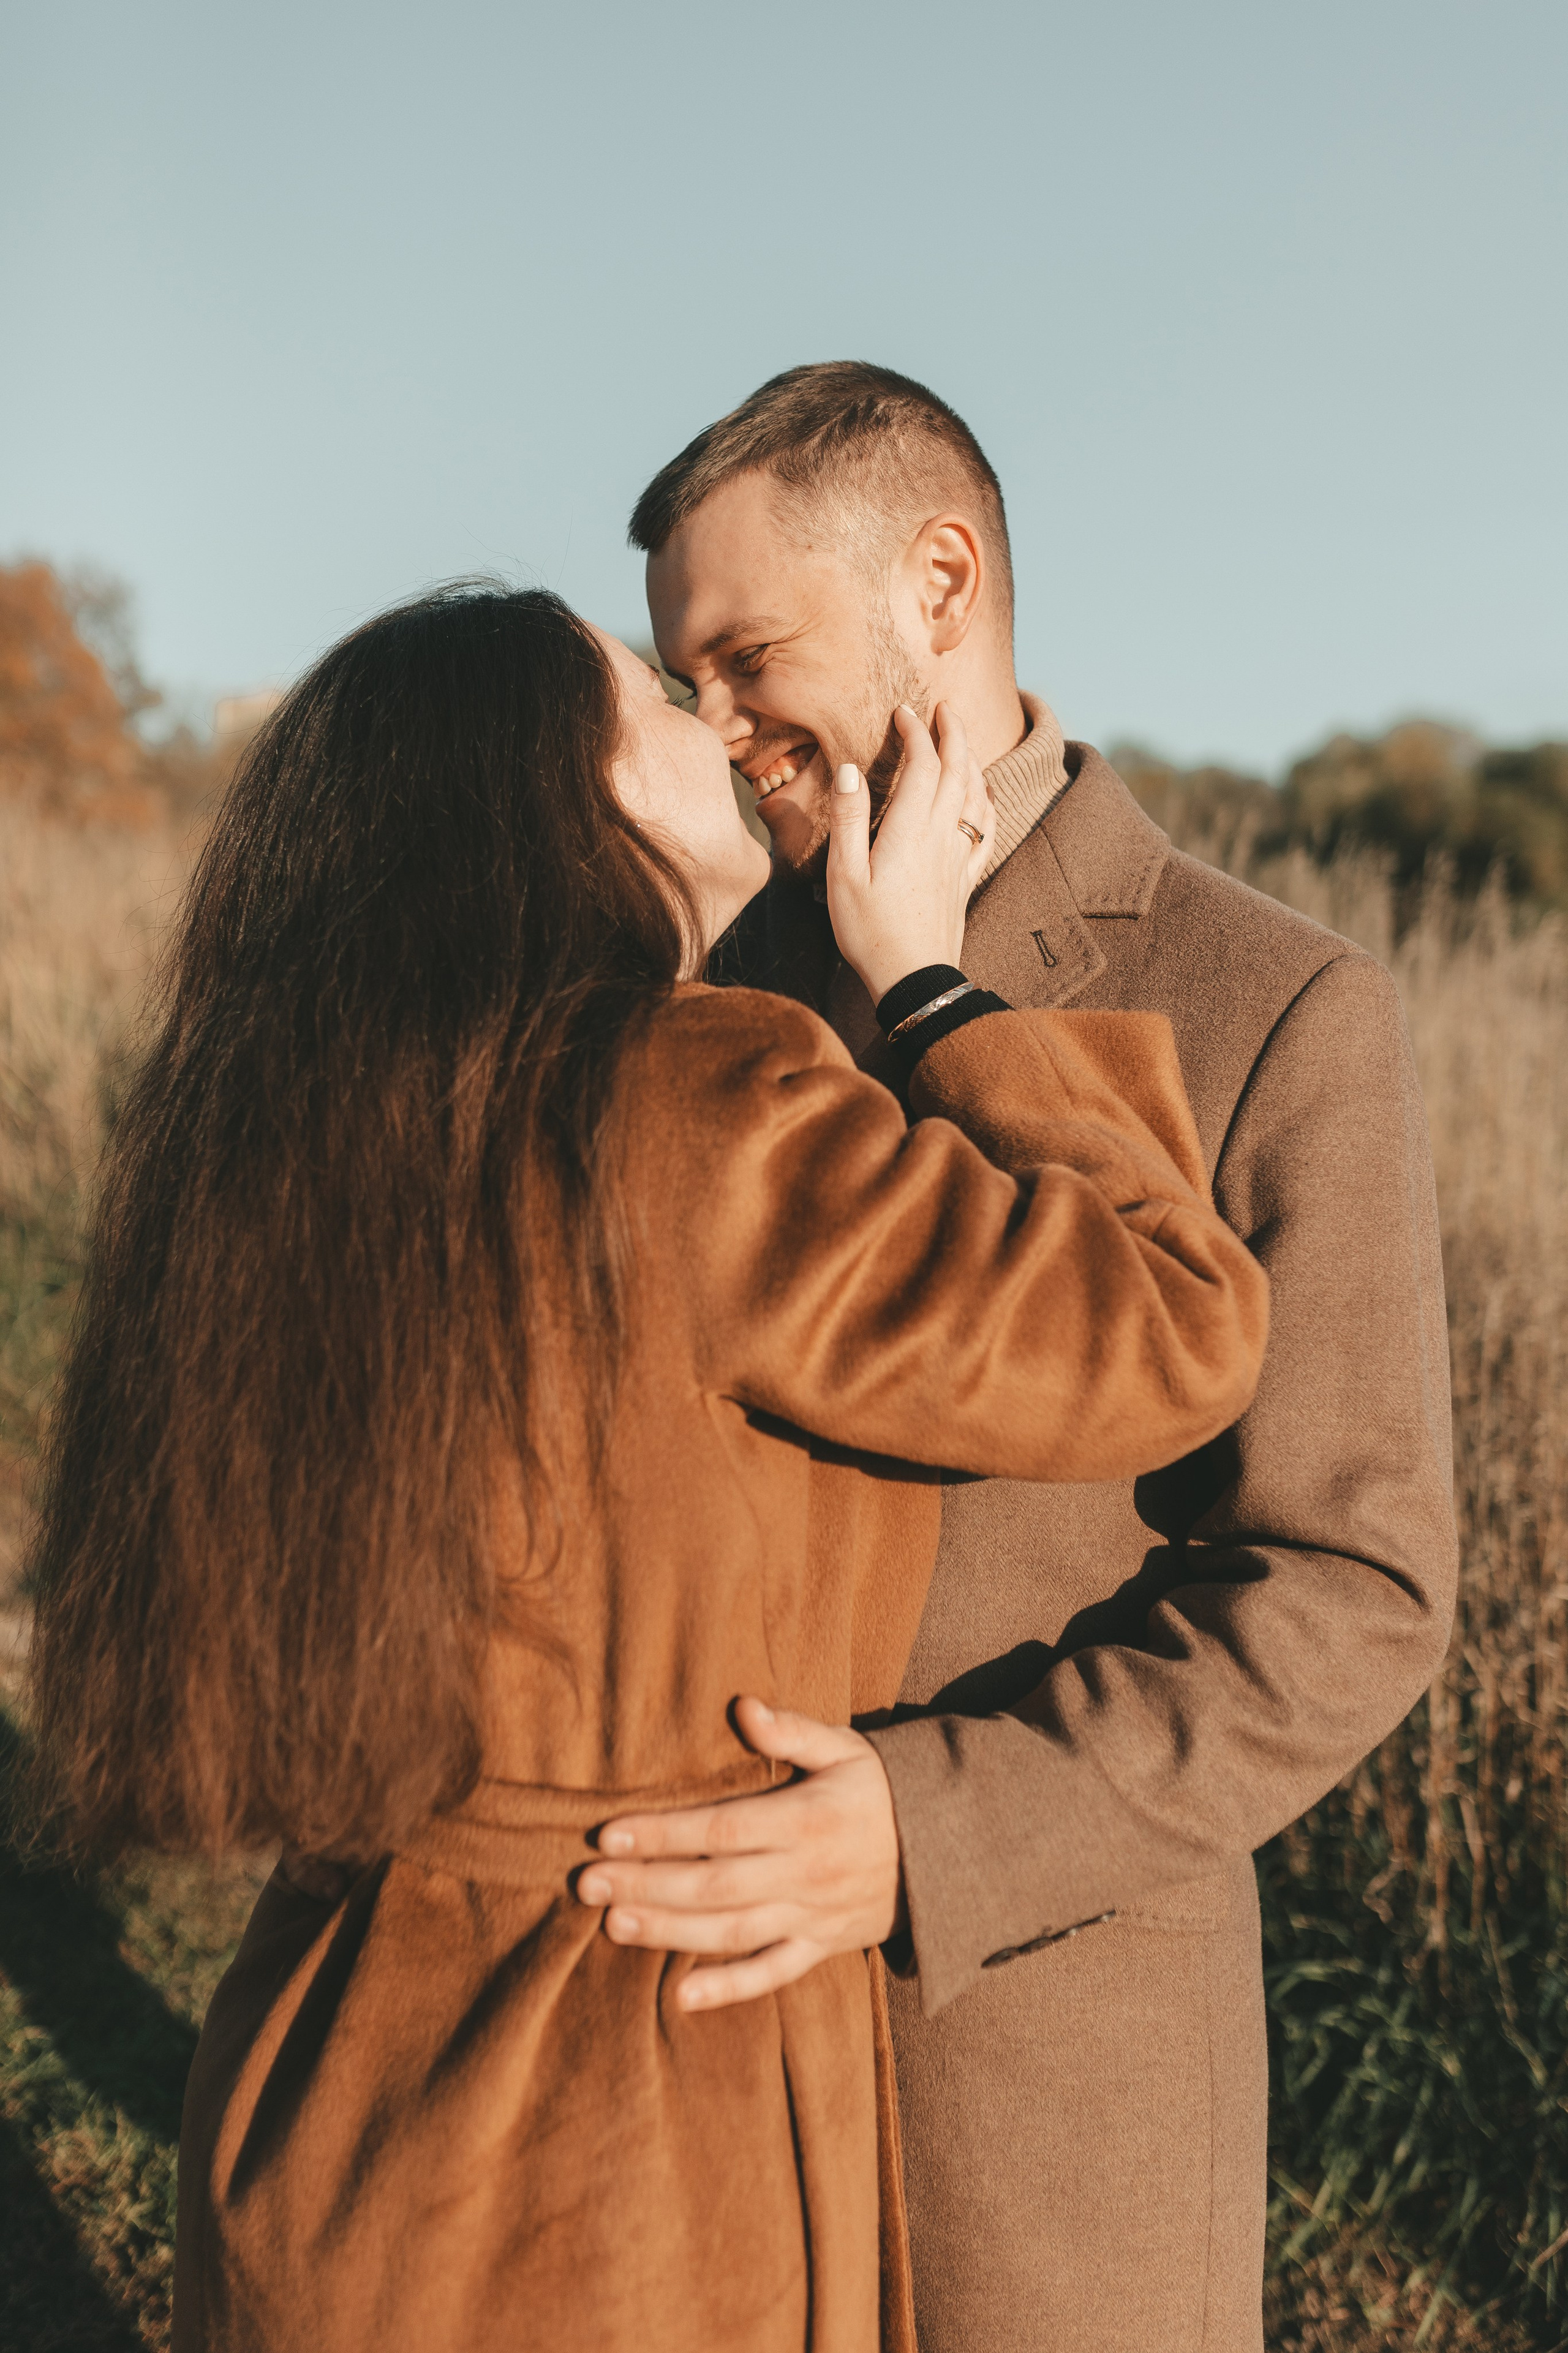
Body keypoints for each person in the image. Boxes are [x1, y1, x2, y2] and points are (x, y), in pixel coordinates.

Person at [26, 583, 1268, 2353]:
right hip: (624, 2109)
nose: (728, 727)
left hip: (330, 2064)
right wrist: (930, 980)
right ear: (576, 801)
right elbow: (1163, 1325)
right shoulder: (697, 1094)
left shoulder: (295, 1126)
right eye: (667, 707)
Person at [586, 363, 1461, 2352]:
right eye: (681, 680)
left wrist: (926, 1823)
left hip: (1049, 2075)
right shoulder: (711, 997)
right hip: (696, 2056)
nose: (713, 733)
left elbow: (1356, 1588)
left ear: (944, 582)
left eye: (744, 660)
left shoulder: (1276, 1002)